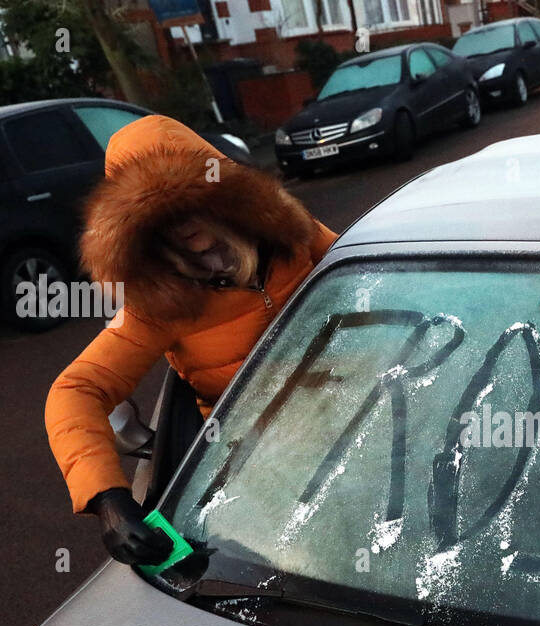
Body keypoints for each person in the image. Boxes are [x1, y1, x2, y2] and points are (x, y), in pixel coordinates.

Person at [45, 114, 337, 565]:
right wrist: (107, 499)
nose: (182, 227)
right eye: (157, 220)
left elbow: (372, 277)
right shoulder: (156, 304)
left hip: (365, 408)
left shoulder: (294, 237)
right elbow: (75, 390)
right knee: (316, 565)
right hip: (269, 463)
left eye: (190, 203)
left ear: (225, 195)